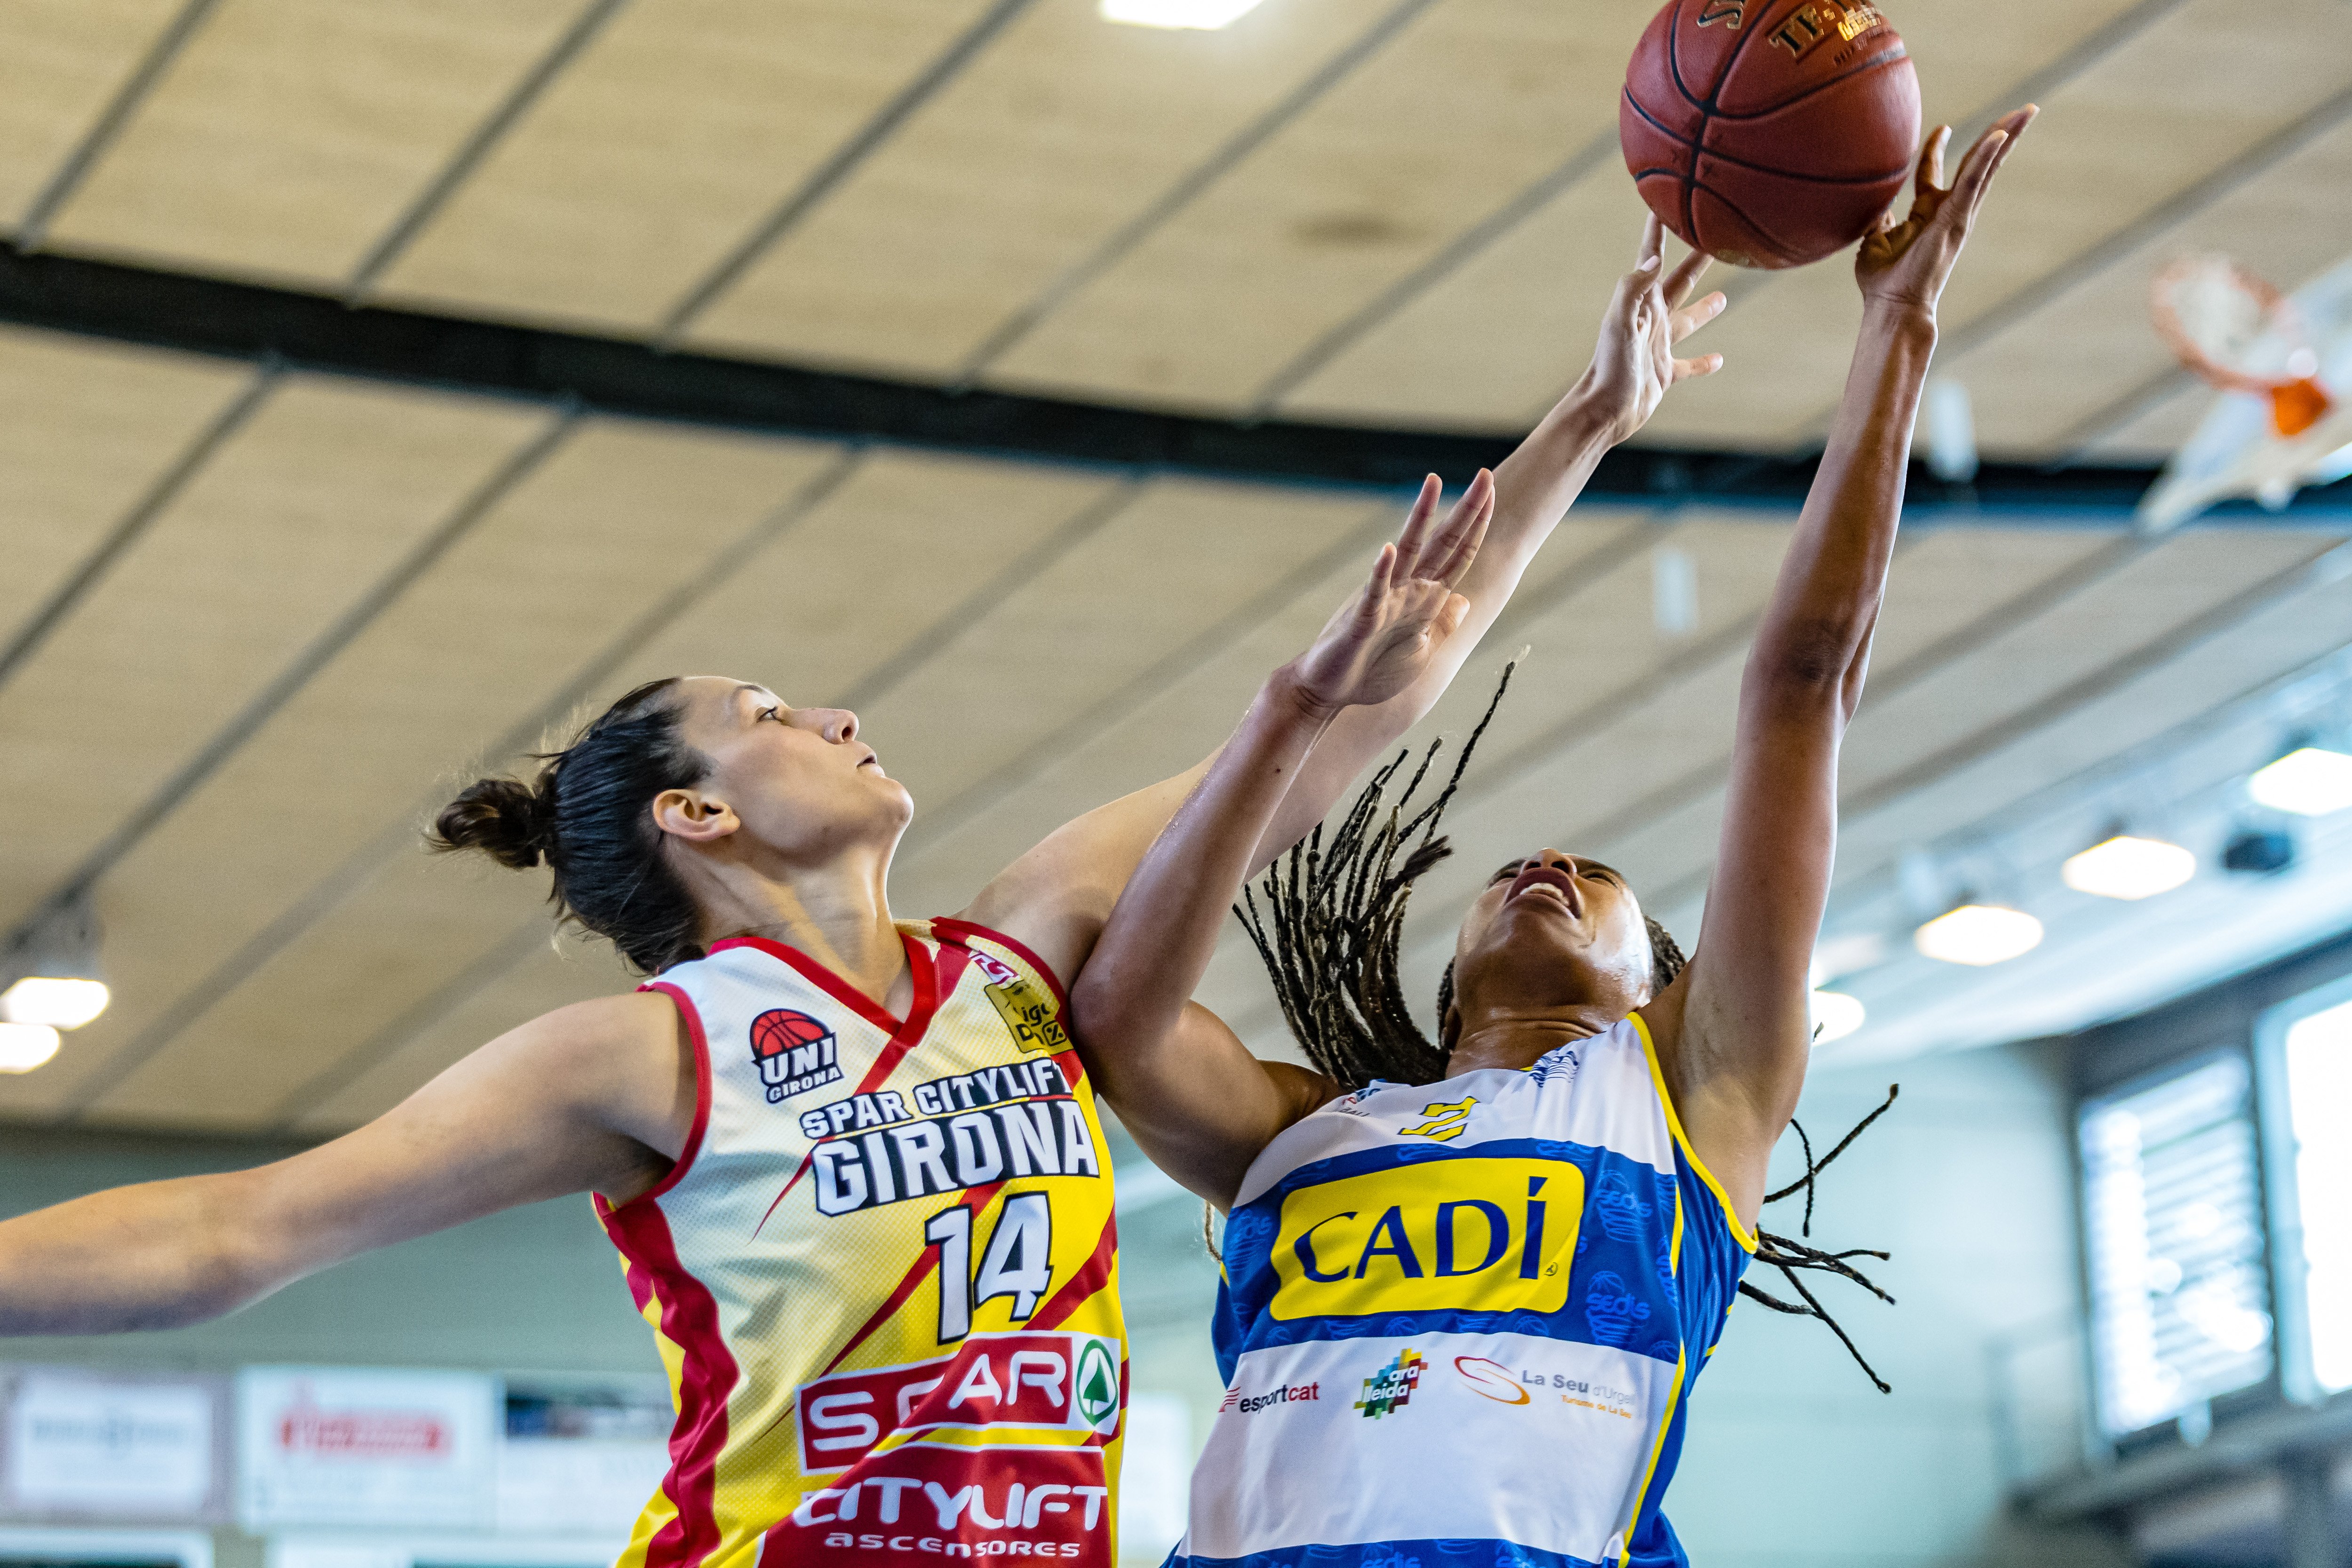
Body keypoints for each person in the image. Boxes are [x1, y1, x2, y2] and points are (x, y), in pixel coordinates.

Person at [0, 226, 1727, 1568]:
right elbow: (244, 1232)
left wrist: (1587, 424)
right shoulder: (651, 1055)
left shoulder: (1019, 954)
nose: (833, 716)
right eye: (768, 715)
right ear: (696, 814)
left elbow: (1354, 716)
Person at [1066, 109, 2035, 1568]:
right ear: (1450, 977)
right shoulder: (1306, 1129)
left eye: (1601, 883)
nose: (1550, 868)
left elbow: (1801, 682)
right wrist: (1293, 710)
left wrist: (1899, 327)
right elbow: (1120, 1020)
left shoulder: (1691, 1094)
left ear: (1664, 986)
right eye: (1522, 874)